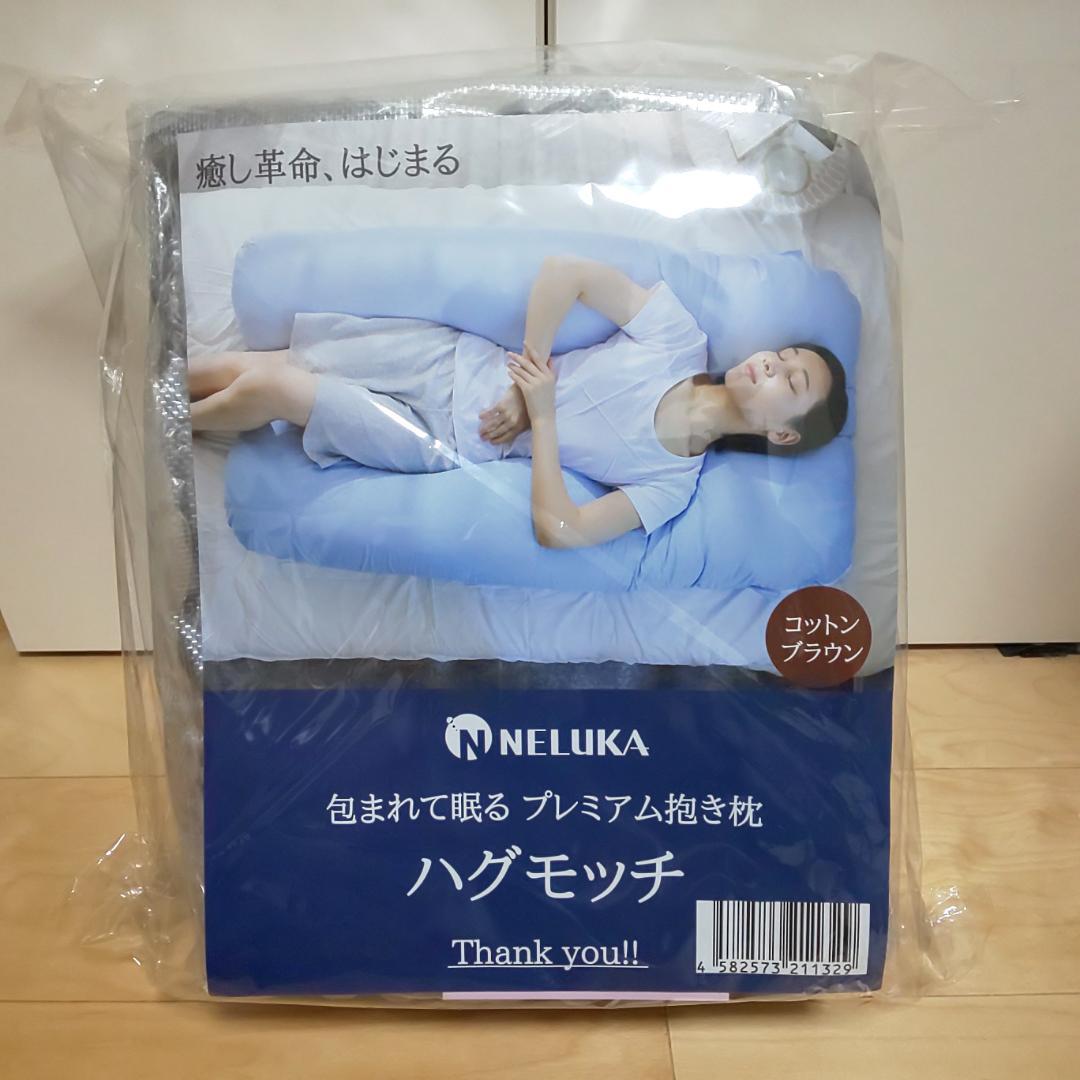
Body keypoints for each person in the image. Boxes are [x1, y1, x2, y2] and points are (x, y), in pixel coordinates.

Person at [189, 255, 848, 550]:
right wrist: (524, 380)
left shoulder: (671, 484)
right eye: (784, 355)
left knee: (277, 388)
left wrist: (543, 413)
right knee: (258, 367)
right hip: (453, 360)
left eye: (791, 383)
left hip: (443, 441)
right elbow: (566, 271)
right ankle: (160, 397)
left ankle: (165, 423)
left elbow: (561, 530)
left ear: (783, 435)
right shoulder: (680, 339)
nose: (773, 363)